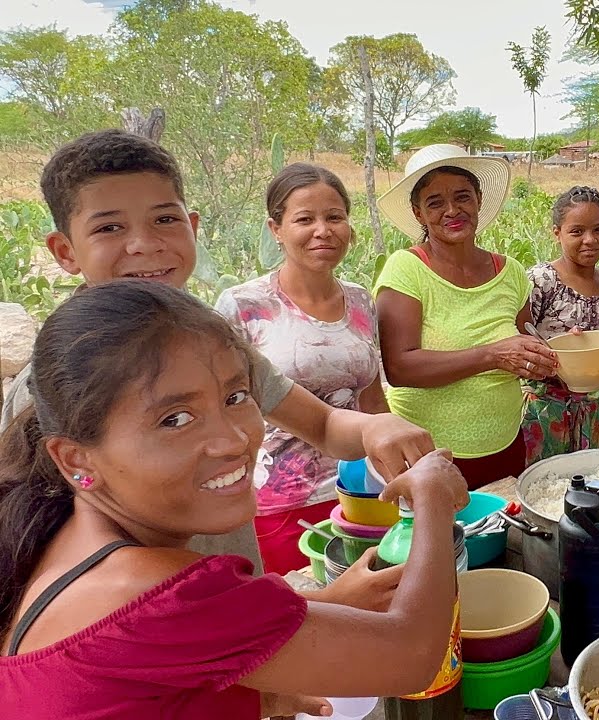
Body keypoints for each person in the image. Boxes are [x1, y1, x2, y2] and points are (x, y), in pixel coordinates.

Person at [0, 280, 470, 718]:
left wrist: (258, 693)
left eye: (235, 396)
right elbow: (412, 655)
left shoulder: (62, 539)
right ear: (76, 459)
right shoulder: (155, 593)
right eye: (175, 419)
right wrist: (430, 494)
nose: (233, 440)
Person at [0, 129, 425, 601]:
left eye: (164, 218)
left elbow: (322, 423)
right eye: (109, 227)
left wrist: (376, 430)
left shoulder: (208, 340)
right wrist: (321, 606)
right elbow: (90, 586)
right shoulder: (54, 385)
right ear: (64, 251)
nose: (145, 244)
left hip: (237, 607)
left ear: (193, 227)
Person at [216, 164, 388, 575]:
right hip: (281, 500)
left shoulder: (361, 301)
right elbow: (222, 408)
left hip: (360, 493)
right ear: (275, 228)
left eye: (334, 217)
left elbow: (373, 398)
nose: (323, 230)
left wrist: (394, 463)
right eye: (304, 219)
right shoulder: (244, 306)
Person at [375, 144, 557, 489]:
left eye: (462, 197)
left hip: (505, 445)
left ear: (478, 200)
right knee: (443, 542)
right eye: (435, 202)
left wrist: (553, 355)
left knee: (503, 539)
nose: (452, 210)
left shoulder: (511, 272)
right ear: (418, 213)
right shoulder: (408, 269)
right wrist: (491, 355)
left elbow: (523, 345)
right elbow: (399, 368)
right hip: (429, 455)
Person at [522, 186, 599, 463]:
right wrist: (560, 347)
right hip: (547, 413)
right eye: (576, 231)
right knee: (547, 488)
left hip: (596, 411)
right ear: (556, 233)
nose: (590, 240)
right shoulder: (540, 281)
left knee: (596, 485)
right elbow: (517, 341)